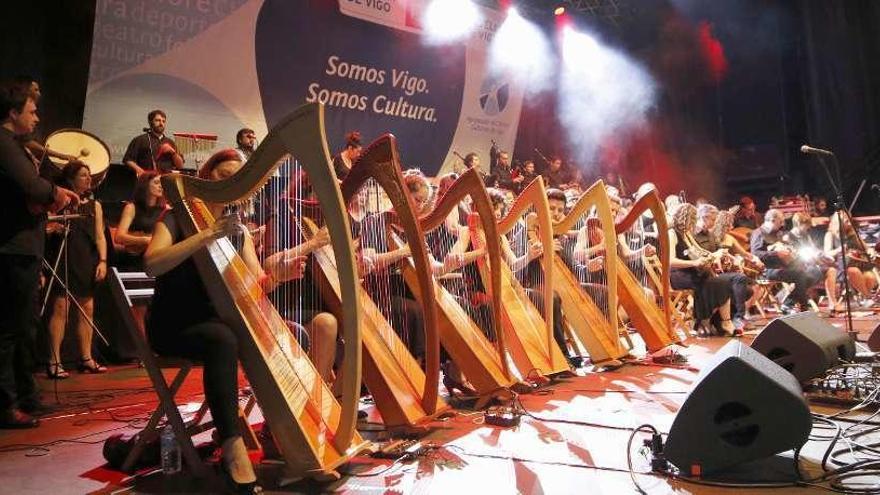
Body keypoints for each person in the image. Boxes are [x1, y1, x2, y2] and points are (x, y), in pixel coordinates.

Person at [145, 149, 305, 492]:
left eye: (236, 178)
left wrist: (280, 276)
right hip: (174, 326)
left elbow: (256, 285)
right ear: (205, 178)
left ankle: (279, 436)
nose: (229, 184)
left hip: (219, 325)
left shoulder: (240, 232)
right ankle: (232, 447)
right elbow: (152, 264)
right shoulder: (174, 218)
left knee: (295, 334)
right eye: (222, 177)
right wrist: (206, 234)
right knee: (223, 340)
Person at [0, 80, 79, 428]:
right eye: (31, 111)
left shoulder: (14, 145)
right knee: (8, 331)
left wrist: (48, 195)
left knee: (23, 327)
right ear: (13, 112)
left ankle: (26, 396)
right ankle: (6, 404)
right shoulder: (3, 144)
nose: (36, 117)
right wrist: (55, 193)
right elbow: (32, 187)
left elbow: (33, 193)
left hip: (23, 247)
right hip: (12, 249)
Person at [45, 162, 108, 378]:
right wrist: (53, 228)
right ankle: (54, 361)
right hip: (64, 256)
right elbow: (44, 225)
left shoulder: (95, 205)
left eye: (90, 175)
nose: (89, 179)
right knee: (61, 307)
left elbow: (100, 235)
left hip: (86, 259)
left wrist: (103, 260)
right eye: (83, 175)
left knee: (88, 308)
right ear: (71, 178)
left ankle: (86, 358)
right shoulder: (60, 199)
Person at [669, 203, 736, 336]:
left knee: (722, 281)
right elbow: (671, 262)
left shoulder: (686, 233)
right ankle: (713, 321)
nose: (694, 223)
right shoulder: (671, 233)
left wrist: (716, 255)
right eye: (693, 219)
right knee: (719, 282)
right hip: (678, 275)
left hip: (692, 273)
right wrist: (695, 262)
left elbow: (700, 251)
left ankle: (707, 321)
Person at [750, 209, 823, 313]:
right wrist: (776, 253)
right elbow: (755, 253)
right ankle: (802, 305)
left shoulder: (779, 234)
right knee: (800, 274)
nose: (782, 225)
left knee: (815, 272)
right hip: (767, 269)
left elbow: (786, 248)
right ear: (772, 220)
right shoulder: (759, 233)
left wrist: (791, 250)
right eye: (780, 222)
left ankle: (789, 302)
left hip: (786, 267)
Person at [824, 213, 878, 309]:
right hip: (840, 267)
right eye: (846, 221)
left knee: (870, 276)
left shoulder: (852, 234)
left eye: (849, 220)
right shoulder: (830, 235)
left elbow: (866, 247)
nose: (849, 223)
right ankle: (868, 298)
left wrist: (871, 251)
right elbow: (827, 253)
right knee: (853, 271)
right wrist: (839, 249)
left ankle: (864, 299)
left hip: (856, 264)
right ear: (838, 222)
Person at [114, 172, 167, 269]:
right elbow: (118, 237)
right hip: (134, 258)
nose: (160, 186)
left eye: (162, 184)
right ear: (145, 185)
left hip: (154, 257)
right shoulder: (132, 207)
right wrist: (144, 240)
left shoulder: (164, 209)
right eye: (156, 183)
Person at [122, 109, 184, 176]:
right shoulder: (140, 140)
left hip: (166, 181)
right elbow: (128, 160)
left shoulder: (170, 142)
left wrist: (173, 152)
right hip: (147, 180)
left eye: (163, 121)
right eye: (158, 120)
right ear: (150, 122)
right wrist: (140, 171)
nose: (161, 123)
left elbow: (180, 165)